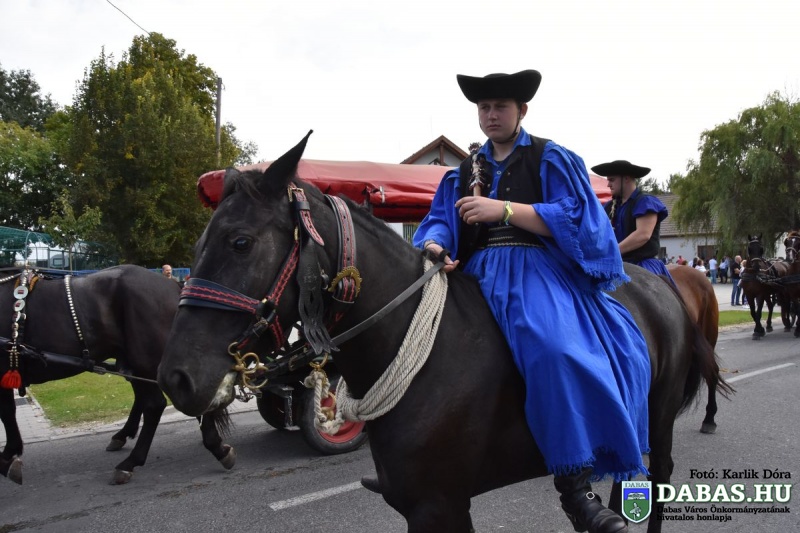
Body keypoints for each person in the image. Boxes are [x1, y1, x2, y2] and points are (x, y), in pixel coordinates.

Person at [400, 69, 648, 533]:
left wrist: (507, 210)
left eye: (500, 107)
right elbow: (439, 220)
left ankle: (576, 490)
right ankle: (411, 465)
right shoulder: (463, 171)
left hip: (535, 270)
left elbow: (578, 218)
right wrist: (434, 244)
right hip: (473, 274)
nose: (491, 115)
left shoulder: (549, 157)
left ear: (522, 111)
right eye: (484, 108)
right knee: (417, 348)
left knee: (553, 349)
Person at [591, 160, 672, 282]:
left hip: (643, 265)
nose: (608, 185)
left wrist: (612, 251)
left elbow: (642, 235)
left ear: (626, 178)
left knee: (644, 293)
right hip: (615, 264)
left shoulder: (645, 202)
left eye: (612, 180)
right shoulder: (608, 207)